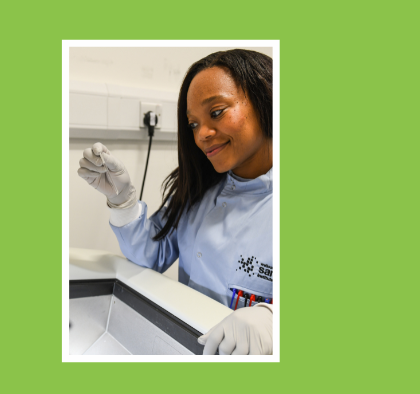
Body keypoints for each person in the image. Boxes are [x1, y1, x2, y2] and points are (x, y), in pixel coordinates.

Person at [77, 49, 273, 355]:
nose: (202, 135)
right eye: (193, 124)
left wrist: (276, 320)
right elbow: (152, 257)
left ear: (267, 99)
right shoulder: (199, 188)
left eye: (217, 112)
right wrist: (123, 202)